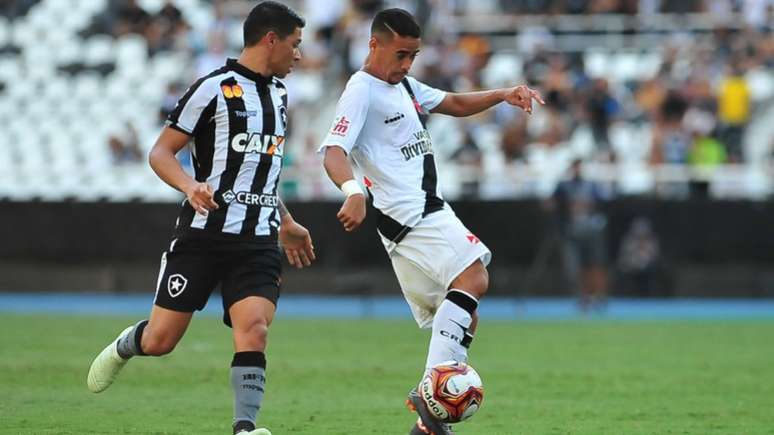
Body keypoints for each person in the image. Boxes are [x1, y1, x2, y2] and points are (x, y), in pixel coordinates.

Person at [86, 3, 315, 435]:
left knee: (255, 329)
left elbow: (261, 169)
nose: (299, 55)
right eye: (295, 44)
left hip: (258, 239)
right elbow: (160, 152)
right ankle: (126, 345)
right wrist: (191, 186)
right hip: (203, 235)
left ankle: (245, 428)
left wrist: (284, 219)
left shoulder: (280, 96)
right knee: (161, 341)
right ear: (271, 39)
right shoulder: (213, 88)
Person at [317, 9, 543, 435]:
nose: (406, 64)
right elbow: (333, 150)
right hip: (412, 211)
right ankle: (430, 394)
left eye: (413, 56)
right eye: (400, 54)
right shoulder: (361, 90)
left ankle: (429, 425)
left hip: (415, 216)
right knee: (474, 278)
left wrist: (502, 94)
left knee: (463, 316)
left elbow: (451, 102)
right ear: (374, 45)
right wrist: (352, 191)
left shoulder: (401, 85)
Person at [550, 159, 610, 311]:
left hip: (592, 230)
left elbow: (603, 203)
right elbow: (553, 203)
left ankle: (599, 296)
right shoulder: (564, 186)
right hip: (573, 231)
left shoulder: (591, 186)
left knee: (596, 265)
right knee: (577, 267)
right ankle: (584, 298)